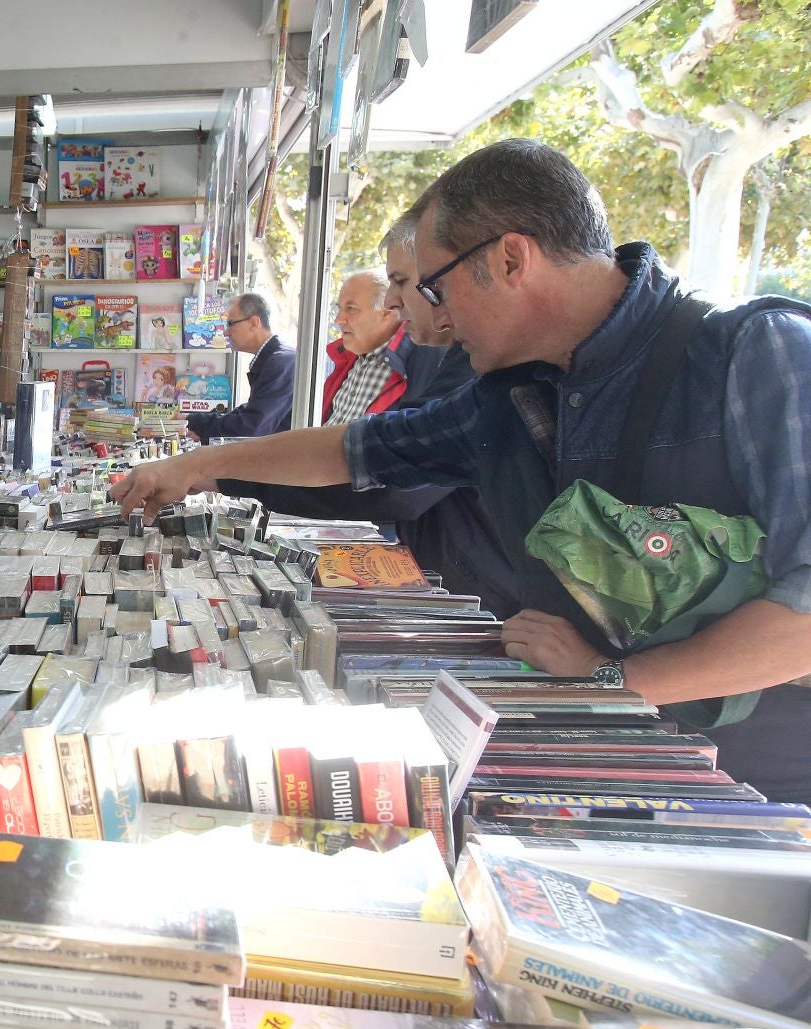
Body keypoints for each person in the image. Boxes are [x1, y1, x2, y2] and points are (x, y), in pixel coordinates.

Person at [116, 139, 811, 798]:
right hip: (595, 732)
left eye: (437, 288)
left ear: (512, 259)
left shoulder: (758, 357)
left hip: (759, 768)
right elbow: (352, 450)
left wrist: (614, 677)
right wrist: (200, 466)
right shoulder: (505, 393)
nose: (435, 321)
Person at [219, 214, 522, 615]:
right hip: (441, 575)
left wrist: (225, 469)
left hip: (476, 594)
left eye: (404, 281)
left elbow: (390, 475)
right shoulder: (455, 359)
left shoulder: (471, 365)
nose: (394, 302)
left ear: (510, 263)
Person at [183, 292, 295, 443]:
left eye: (231, 324)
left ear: (254, 323)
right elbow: (253, 411)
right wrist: (200, 426)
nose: (226, 332)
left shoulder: (280, 363)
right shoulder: (274, 358)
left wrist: (197, 423)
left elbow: (252, 427)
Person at [320, 268, 409, 425]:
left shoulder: (412, 364)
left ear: (388, 312)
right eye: (339, 308)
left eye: (351, 309)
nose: (339, 319)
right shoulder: (350, 359)